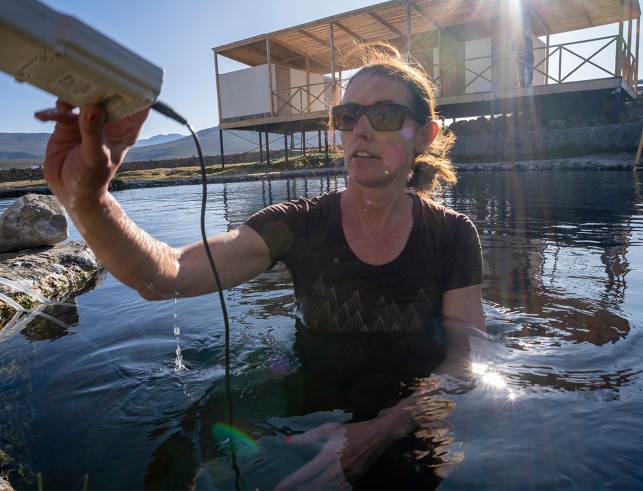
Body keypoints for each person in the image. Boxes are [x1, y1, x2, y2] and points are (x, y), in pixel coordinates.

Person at [36, 42, 486, 489]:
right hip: (312, 392)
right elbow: (167, 275)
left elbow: (465, 359)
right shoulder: (298, 223)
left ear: (425, 135)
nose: (360, 130)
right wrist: (90, 200)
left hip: (412, 404)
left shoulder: (452, 235)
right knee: (208, 428)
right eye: (347, 117)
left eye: (384, 115)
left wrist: (383, 428)